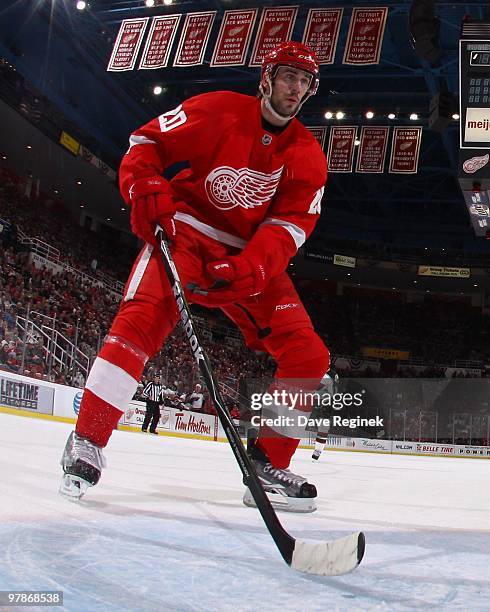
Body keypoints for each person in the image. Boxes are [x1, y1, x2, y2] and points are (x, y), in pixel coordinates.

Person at [59, 41, 330, 512]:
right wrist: (144, 184)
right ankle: (87, 440)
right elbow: (147, 144)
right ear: (266, 79)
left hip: (247, 255)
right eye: (289, 76)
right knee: (139, 321)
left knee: (308, 355)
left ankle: (266, 464)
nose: (296, 87)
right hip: (186, 234)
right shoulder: (219, 109)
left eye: (305, 81)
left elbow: (291, 225)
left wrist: (253, 266)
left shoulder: (307, 154)